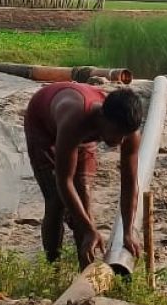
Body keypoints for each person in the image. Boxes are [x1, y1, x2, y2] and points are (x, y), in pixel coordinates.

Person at [23, 82, 145, 267]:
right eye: (116, 133)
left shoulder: (128, 130)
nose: (119, 141)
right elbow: (64, 181)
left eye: (124, 136)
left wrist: (128, 230)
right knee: (56, 202)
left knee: (84, 198)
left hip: (86, 131)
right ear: (103, 118)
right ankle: (52, 266)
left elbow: (130, 183)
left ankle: (85, 268)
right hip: (44, 124)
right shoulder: (75, 119)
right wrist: (89, 229)